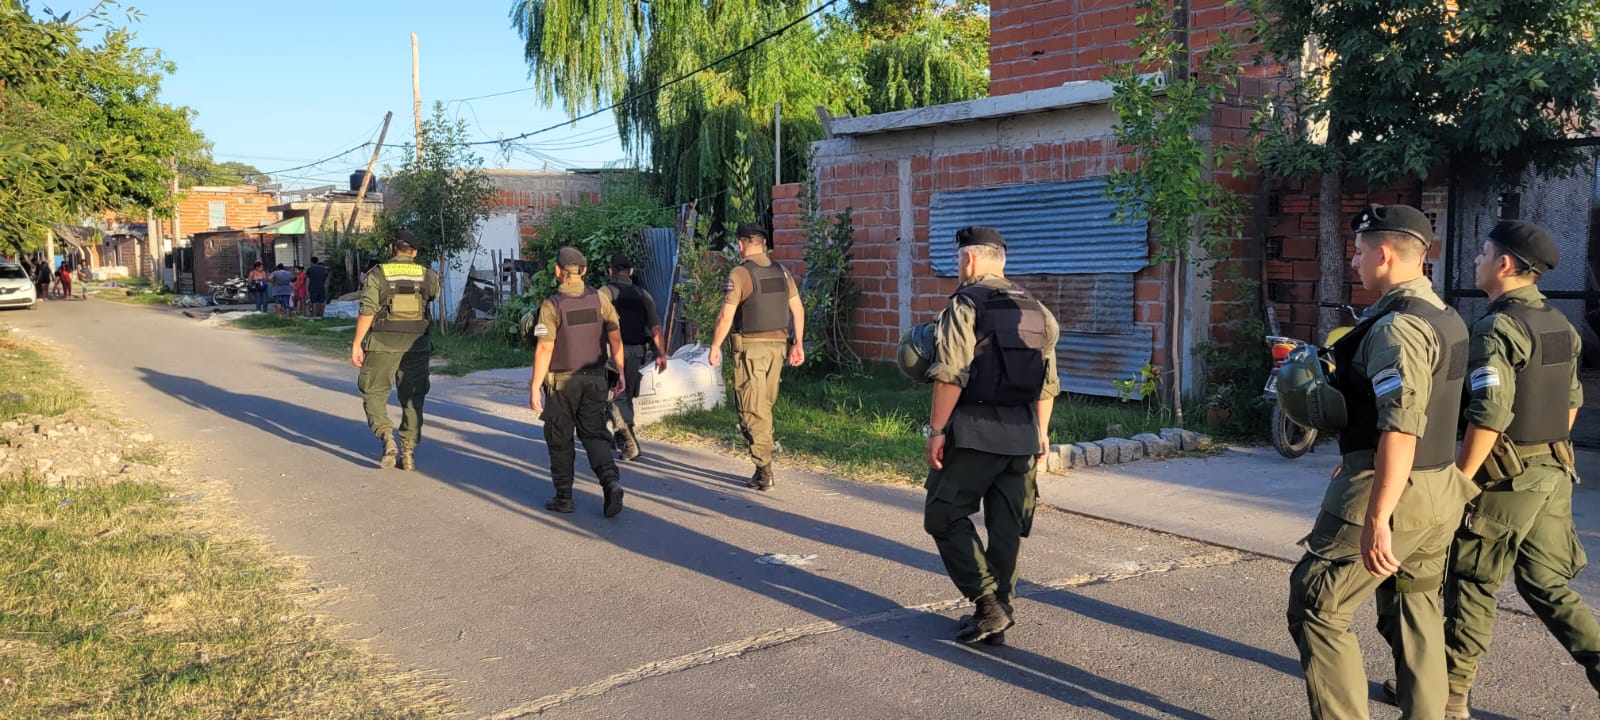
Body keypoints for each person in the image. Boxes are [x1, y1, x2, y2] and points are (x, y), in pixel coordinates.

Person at [1279, 204, 1478, 719]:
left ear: (1384, 254)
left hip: (1394, 489)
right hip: (1438, 487)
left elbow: (1402, 424)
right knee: (1416, 610)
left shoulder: (1399, 328)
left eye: (1360, 251)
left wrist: (1376, 517)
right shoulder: (1447, 315)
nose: (1353, 261)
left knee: (1318, 605)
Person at [1425, 220, 1599, 718]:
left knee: (1473, 579)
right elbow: (1571, 404)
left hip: (1506, 478)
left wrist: (1459, 480)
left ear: (1504, 264)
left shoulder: (1498, 328)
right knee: (1546, 585)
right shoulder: (1560, 325)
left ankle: (1450, 696)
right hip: (1553, 471)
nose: (1476, 262)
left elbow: (1490, 414)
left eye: (1482, 254)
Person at [916, 226, 1058, 645]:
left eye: (960, 260)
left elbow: (951, 374)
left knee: (942, 515)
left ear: (970, 260)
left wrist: (936, 430)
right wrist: (1042, 433)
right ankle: (1000, 611)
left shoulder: (965, 304)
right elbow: (1048, 381)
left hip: (975, 431)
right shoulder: (1036, 309)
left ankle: (987, 603)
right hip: (1023, 434)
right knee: (1006, 525)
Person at [528, 246, 627, 517]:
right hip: (596, 379)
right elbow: (615, 338)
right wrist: (620, 372)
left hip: (562, 384)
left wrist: (535, 385)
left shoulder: (551, 305)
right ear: (583, 271)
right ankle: (611, 482)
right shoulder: (600, 299)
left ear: (558, 271)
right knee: (594, 434)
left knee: (560, 439)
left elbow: (544, 348)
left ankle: (564, 498)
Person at [707, 222, 806, 490]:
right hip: (778, 347)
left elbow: (726, 315)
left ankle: (764, 469)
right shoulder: (782, 272)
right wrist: (798, 344)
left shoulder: (740, 273)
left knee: (752, 409)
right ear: (764, 243)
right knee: (765, 405)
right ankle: (763, 461)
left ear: (742, 243)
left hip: (751, 349)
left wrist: (715, 346)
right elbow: (798, 309)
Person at [350, 231, 441, 470]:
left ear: (392, 249)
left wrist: (357, 342)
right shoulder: (428, 275)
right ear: (414, 252)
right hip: (417, 345)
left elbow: (368, 309)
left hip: (382, 342)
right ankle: (408, 450)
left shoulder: (378, 274)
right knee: (413, 396)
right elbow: (433, 295)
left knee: (374, 391)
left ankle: (386, 437)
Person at [600, 252, 668, 461]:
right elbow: (656, 326)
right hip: (637, 350)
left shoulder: (604, 293)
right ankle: (613, 437)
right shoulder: (643, 294)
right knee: (626, 395)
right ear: (630, 272)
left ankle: (629, 442)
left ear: (611, 271)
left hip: (612, 351)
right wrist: (661, 354)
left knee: (613, 396)